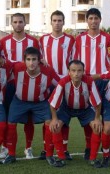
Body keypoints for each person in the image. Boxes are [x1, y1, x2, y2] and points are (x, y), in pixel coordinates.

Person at [2, 47, 65, 167]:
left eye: (34, 59)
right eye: (28, 59)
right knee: (10, 123)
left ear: (39, 60)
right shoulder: (17, 67)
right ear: (24, 60)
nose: (31, 63)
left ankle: (49, 155)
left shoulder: (48, 70)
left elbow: (61, 84)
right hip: (19, 101)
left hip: (40, 102)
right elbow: (1, 61)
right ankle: (11, 154)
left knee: (49, 123)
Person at [73, 7, 110, 160]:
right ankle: (88, 147)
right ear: (87, 20)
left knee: (104, 116)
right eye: (90, 18)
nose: (93, 21)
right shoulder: (79, 39)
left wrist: (109, 74)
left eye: (96, 18)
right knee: (90, 116)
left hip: (103, 82)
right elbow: (76, 60)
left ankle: (106, 148)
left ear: (100, 20)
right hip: (86, 82)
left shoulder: (109, 38)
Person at [0, 13, 39, 160]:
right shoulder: (3, 42)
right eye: (15, 22)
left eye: (21, 22)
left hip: (29, 84)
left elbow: (38, 61)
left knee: (29, 118)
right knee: (8, 117)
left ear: (25, 23)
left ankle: (28, 148)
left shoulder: (33, 42)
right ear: (11, 24)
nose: (18, 24)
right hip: (9, 84)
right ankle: (5, 147)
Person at [48, 60, 102, 168]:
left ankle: (92, 158)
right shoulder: (63, 82)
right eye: (73, 71)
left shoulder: (89, 81)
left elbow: (98, 103)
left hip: (85, 109)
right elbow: (53, 104)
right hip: (66, 108)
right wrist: (54, 119)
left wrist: (97, 119)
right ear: (69, 71)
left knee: (97, 127)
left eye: (79, 71)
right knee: (56, 126)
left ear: (83, 71)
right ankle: (61, 157)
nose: (76, 74)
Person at [39, 10, 75, 160]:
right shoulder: (42, 40)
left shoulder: (71, 40)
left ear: (63, 22)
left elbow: (74, 61)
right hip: (48, 84)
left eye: (60, 20)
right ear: (51, 22)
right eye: (55, 20)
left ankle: (64, 149)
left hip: (65, 83)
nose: (57, 23)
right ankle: (45, 148)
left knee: (64, 118)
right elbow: (39, 60)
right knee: (48, 117)